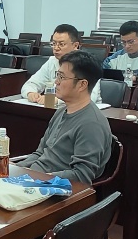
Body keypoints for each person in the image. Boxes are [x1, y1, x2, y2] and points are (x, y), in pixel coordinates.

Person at [18, 50, 112, 184]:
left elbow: (82, 175)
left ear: (82, 85)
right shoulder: (61, 111)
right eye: (58, 75)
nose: (56, 82)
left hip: (52, 187)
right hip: (34, 179)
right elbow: (40, 154)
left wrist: (40, 178)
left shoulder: (91, 124)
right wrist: (15, 168)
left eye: (62, 77)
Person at [21, 24, 102, 105]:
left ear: (75, 45)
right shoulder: (52, 61)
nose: (56, 48)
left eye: (61, 44)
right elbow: (31, 84)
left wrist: (57, 100)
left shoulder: (86, 63)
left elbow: (90, 97)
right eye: (54, 43)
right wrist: (31, 93)